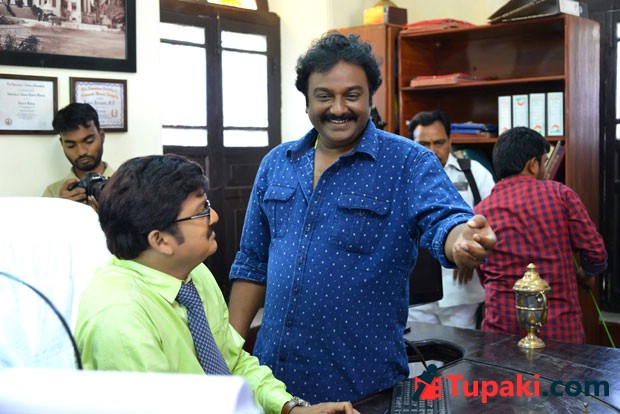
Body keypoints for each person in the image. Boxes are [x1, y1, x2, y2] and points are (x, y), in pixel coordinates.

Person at [227, 32, 497, 403]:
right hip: (272, 384)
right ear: (307, 101)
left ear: (371, 97)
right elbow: (252, 263)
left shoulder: (407, 162)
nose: (339, 108)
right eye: (324, 96)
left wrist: (461, 238)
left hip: (362, 388)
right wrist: (229, 355)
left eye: (352, 95)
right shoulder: (277, 163)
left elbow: (444, 218)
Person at [74, 154, 357, 414]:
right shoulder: (120, 318)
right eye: (202, 211)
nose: (215, 217)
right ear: (160, 240)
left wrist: (291, 408)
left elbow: (232, 363)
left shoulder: (192, 273)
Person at [474, 127, 608, 343]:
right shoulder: (560, 195)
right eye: (544, 161)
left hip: (501, 333)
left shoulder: (480, 212)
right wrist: (587, 272)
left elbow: (482, 271)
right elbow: (595, 252)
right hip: (560, 331)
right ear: (532, 164)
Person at [407, 110, 495, 329]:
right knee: (417, 349)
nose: (432, 151)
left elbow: (493, 223)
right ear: (411, 143)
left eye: (438, 143)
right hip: (415, 288)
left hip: (460, 291)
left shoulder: (474, 172)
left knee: (460, 349)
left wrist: (470, 253)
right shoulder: (401, 177)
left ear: (450, 141)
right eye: (423, 144)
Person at [42, 103, 115, 206]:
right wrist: (61, 208)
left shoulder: (129, 185)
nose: (81, 152)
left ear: (102, 136)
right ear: (62, 144)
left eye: (89, 141)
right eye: (71, 145)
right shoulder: (53, 194)